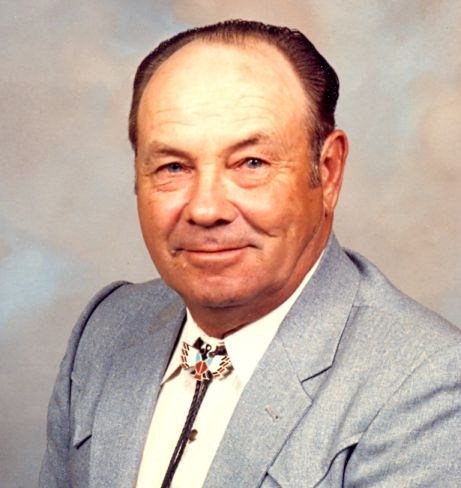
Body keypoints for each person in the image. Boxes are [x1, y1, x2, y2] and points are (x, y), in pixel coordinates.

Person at [40, 20, 461, 488]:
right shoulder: (106, 329)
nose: (205, 209)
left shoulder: (426, 384)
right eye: (173, 167)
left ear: (328, 171)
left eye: (251, 163)